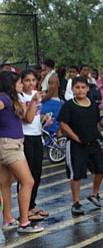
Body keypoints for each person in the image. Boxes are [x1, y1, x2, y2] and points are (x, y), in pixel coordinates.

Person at [0, 71, 44, 233]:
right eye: (19, 82)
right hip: (9, 145)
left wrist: (33, 101)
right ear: (11, 84)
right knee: (28, 181)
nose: (22, 85)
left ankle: (8, 219)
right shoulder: (4, 98)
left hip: (10, 144)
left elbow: (28, 118)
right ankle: (24, 222)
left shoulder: (13, 99)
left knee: (5, 183)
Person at [58, 76, 103, 216]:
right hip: (76, 145)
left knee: (100, 169)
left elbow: (96, 121)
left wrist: (94, 133)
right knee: (76, 174)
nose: (80, 90)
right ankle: (76, 202)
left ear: (87, 88)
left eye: (83, 87)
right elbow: (63, 124)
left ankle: (94, 193)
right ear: (73, 89)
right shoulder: (69, 105)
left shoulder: (92, 103)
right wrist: (76, 138)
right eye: (77, 87)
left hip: (92, 142)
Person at [19, 69, 48, 221]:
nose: (31, 83)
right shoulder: (20, 96)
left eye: (33, 80)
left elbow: (36, 116)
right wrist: (35, 101)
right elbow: (28, 118)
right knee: (26, 175)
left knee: (37, 172)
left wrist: (45, 119)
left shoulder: (36, 95)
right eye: (27, 80)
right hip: (26, 137)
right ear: (21, 82)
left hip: (37, 136)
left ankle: (32, 205)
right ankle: (25, 209)